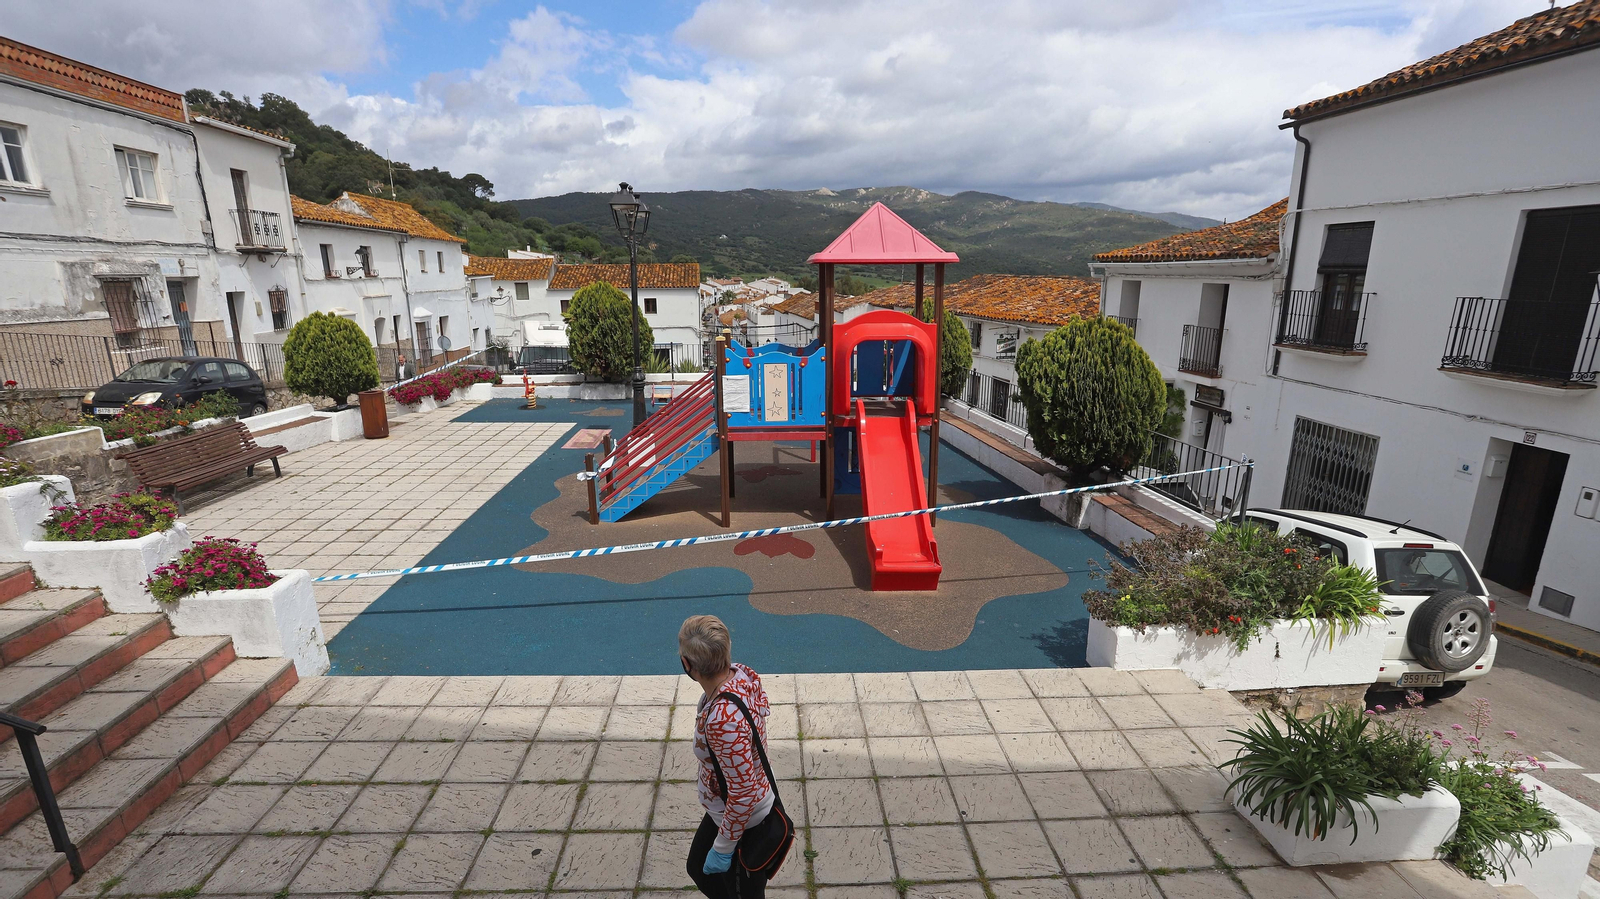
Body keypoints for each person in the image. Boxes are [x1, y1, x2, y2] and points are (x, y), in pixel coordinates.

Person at [681, 615, 772, 899]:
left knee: (718, 879)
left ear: (688, 666)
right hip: (732, 809)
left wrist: (722, 848)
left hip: (740, 819)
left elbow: (743, 793)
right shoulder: (740, 675)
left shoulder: (723, 721)